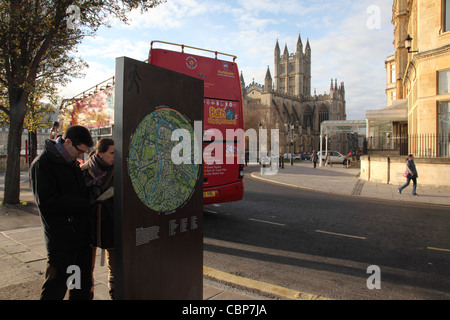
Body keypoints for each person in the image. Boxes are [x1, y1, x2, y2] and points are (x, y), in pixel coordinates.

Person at [29, 125, 94, 300]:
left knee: (81, 287)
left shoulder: (71, 162)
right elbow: (47, 202)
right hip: (61, 242)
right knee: (55, 290)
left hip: (80, 238)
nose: (81, 156)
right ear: (67, 142)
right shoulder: (42, 164)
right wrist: (84, 204)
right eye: (80, 151)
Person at [81, 138, 115, 299]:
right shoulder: (84, 171)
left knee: (115, 266)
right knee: (87, 267)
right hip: (89, 226)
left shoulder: (118, 171)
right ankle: (88, 293)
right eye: (112, 153)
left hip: (112, 223)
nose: (115, 156)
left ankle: (115, 292)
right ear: (101, 154)